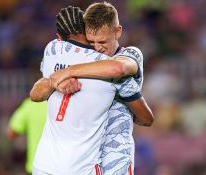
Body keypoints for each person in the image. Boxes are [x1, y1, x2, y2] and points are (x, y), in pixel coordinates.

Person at [32, 6, 151, 175]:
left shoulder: (130, 55)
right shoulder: (87, 59)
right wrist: (55, 81)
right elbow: (35, 93)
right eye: (91, 41)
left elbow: (119, 68)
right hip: (85, 159)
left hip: (114, 159)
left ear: (117, 32)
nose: (96, 48)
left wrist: (67, 71)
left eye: (102, 42)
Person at [7, 98, 47, 175]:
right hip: (63, 166)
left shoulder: (30, 105)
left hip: (37, 167)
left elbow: (11, 133)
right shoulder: (65, 104)